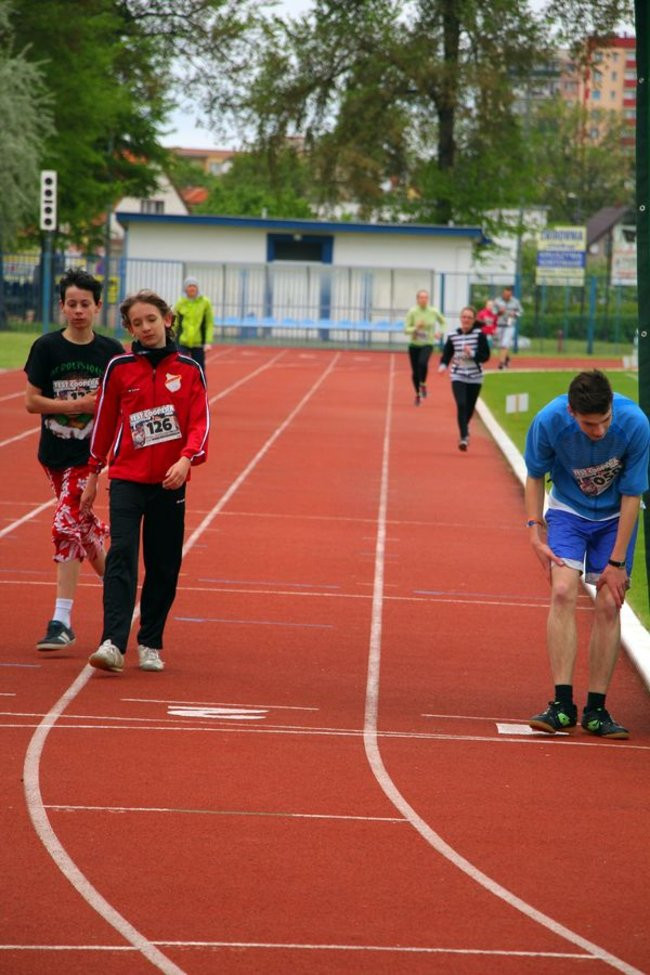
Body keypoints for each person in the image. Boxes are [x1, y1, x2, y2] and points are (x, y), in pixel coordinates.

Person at [81, 290, 210, 673]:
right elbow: (104, 422)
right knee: (121, 556)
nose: (146, 328)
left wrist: (187, 460)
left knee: (164, 563)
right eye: (137, 323)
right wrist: (92, 474)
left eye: (151, 320)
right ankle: (112, 643)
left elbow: (200, 421)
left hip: (169, 482)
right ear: (129, 329)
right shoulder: (119, 368)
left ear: (167, 320)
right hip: (126, 478)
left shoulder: (189, 370)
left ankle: (150, 642)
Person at [524, 370, 650, 739]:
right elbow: (535, 474)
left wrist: (616, 563)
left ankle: (597, 709)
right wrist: (534, 529)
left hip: (615, 517)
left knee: (610, 602)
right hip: (567, 511)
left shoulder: (635, 424)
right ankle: (562, 704)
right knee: (562, 590)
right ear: (571, 412)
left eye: (604, 421)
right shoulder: (549, 421)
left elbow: (633, 495)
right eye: (589, 424)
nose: (599, 431)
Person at [24, 268, 124, 652]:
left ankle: (61, 620)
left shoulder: (111, 352)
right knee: (81, 527)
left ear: (98, 307)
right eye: (71, 304)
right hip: (54, 455)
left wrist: (110, 458)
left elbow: (120, 406)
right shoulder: (47, 348)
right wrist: (78, 404)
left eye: (85, 304)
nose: (78, 310)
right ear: (62, 307)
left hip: (90, 456)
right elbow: (31, 402)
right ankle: (120, 590)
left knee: (65, 524)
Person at [438, 306, 490, 451]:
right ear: (460, 318)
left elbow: (485, 356)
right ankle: (464, 437)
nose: (466, 320)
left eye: (469, 317)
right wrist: (443, 365)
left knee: (469, 407)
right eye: (464, 317)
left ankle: (464, 426)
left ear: (473, 320)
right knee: (461, 404)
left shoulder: (480, 335)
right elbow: (447, 353)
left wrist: (472, 353)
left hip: (475, 377)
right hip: (458, 375)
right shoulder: (453, 335)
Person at [404, 289, 445, 406]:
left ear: (428, 299)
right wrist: (415, 328)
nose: (423, 300)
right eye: (421, 297)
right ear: (417, 299)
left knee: (423, 363)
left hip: (428, 343)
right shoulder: (412, 312)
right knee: (415, 372)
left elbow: (443, 322)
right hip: (414, 344)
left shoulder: (433, 311)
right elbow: (406, 329)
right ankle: (417, 394)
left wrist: (440, 332)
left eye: (426, 297)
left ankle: (423, 384)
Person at [173, 276, 214, 373]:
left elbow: (209, 323)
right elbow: (175, 322)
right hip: (182, 342)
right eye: (189, 286)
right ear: (185, 288)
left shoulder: (205, 302)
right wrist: (171, 338)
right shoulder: (180, 303)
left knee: (199, 369)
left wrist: (207, 342)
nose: (192, 288)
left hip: (198, 342)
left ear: (197, 288)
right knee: (180, 368)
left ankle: (201, 388)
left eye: (194, 286)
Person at [493, 285, 523, 370]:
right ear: (503, 294)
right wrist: (499, 312)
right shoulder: (497, 301)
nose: (507, 296)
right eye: (506, 295)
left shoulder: (515, 302)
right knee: (499, 345)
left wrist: (515, 314)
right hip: (499, 325)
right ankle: (506, 358)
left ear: (511, 294)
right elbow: (493, 312)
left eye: (509, 295)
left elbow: (520, 312)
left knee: (505, 344)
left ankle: (501, 363)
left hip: (510, 325)